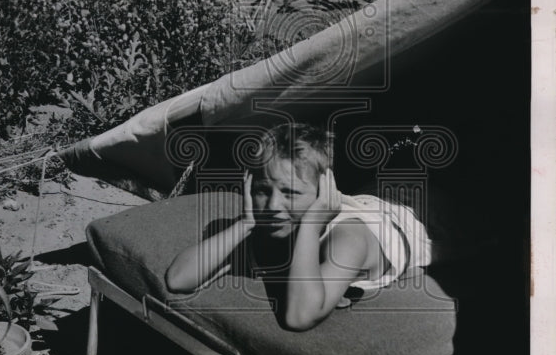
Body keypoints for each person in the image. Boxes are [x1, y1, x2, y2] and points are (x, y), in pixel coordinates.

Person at [165, 121, 432, 330]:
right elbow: (178, 279)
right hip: (372, 196)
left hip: (422, 214)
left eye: (290, 193)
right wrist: (245, 223)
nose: (272, 207)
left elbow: (299, 316)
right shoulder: (270, 219)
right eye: (261, 190)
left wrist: (310, 226)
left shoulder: (349, 239)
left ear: (323, 194)